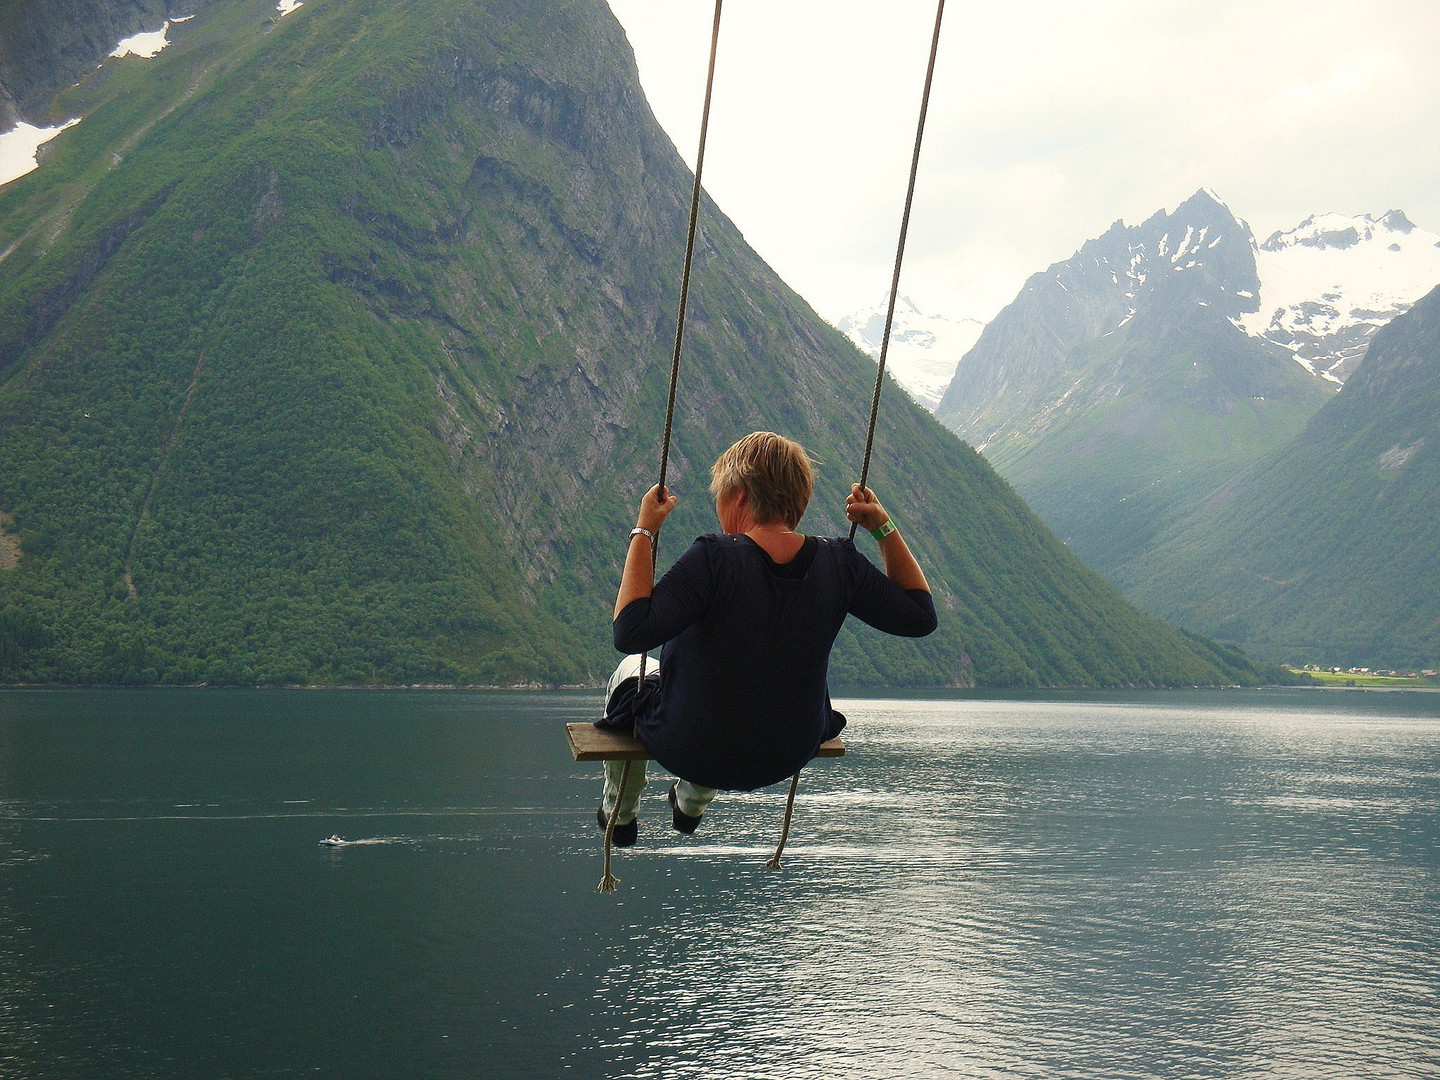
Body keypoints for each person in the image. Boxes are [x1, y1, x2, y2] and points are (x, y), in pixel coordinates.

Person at [595, 431, 937, 846]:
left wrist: (645, 531)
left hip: (691, 746)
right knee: (742, 688)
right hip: (787, 752)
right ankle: (689, 805)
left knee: (631, 672)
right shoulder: (838, 562)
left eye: (720, 494)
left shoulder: (714, 558)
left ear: (739, 496)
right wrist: (882, 526)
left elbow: (630, 631)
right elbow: (920, 616)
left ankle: (620, 811)